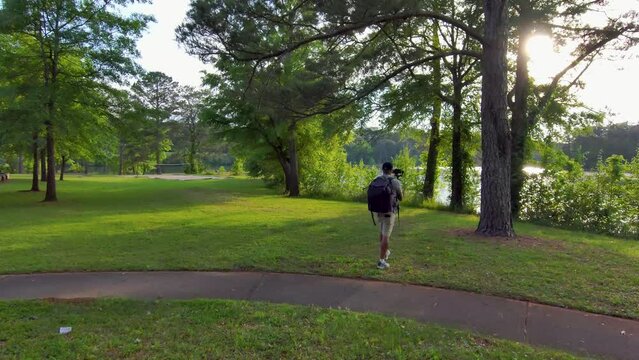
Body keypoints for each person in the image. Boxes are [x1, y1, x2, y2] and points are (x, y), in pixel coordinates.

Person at [373, 162, 402, 269]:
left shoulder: (377, 179)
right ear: (391, 169)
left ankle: (385, 252)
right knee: (386, 236)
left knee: (382, 232)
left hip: (378, 210)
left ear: (382, 169)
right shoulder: (394, 181)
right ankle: (381, 261)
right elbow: (401, 197)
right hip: (389, 212)